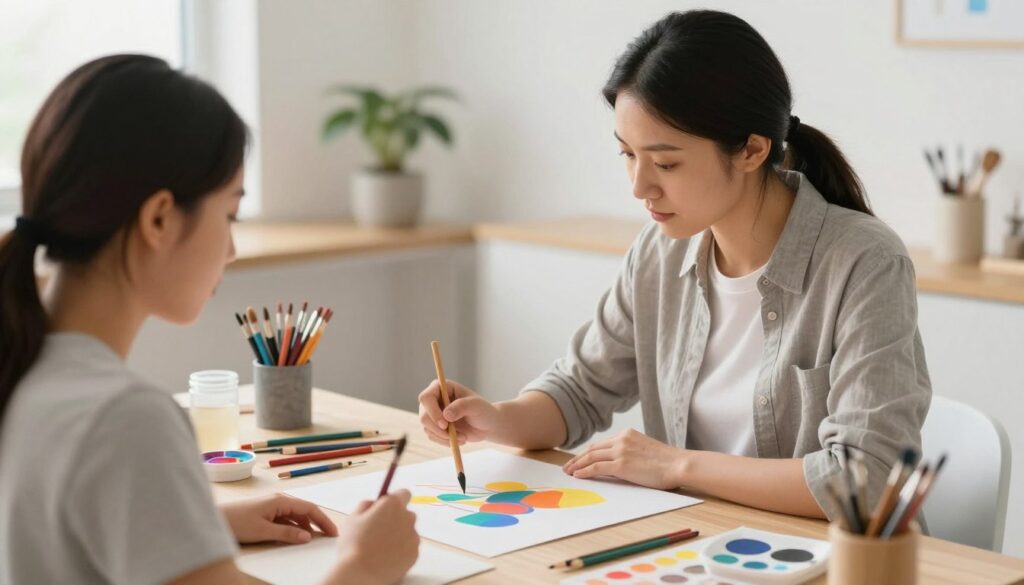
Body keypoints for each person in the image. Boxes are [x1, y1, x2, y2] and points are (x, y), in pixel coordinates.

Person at [419, 10, 931, 521]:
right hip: (697, 548)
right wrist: (494, 419)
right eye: (627, 154)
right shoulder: (660, 252)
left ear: (752, 149)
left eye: (666, 163)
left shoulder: (864, 262)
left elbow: (865, 480)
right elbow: (579, 390)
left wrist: (674, 466)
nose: (639, 186)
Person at [0, 54, 418, 585]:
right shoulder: (124, 418)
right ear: (158, 219)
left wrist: (194, 526)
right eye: (229, 214)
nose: (233, 248)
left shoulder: (24, 371)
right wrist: (365, 568)